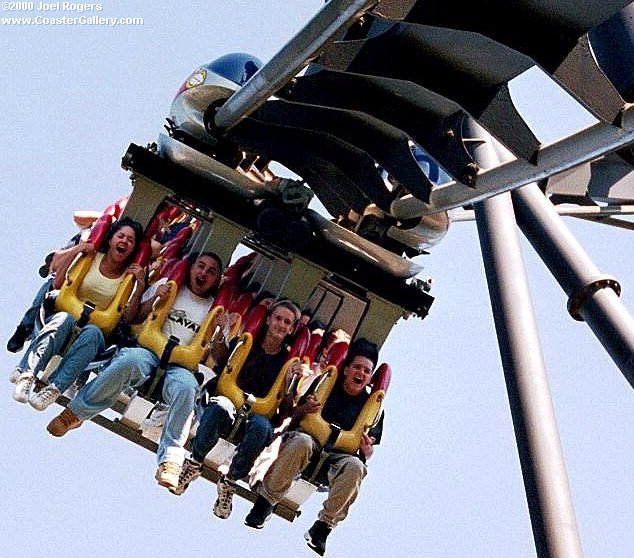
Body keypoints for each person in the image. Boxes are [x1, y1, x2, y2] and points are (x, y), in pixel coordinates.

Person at [45, 252, 224, 491]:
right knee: (128, 361)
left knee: (187, 388)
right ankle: (77, 413)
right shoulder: (169, 286)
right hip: (148, 352)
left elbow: (220, 358)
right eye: (200, 267)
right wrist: (153, 300)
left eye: (211, 271)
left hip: (180, 366)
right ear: (191, 269)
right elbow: (131, 317)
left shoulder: (215, 309)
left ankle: (170, 459)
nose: (203, 273)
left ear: (216, 280)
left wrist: (222, 332)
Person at [243, 338, 383, 556]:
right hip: (307, 443)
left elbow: (368, 447)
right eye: (357, 367)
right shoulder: (325, 384)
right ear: (346, 369)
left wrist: (367, 452)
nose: (361, 373)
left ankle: (323, 527)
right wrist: (306, 408)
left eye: (367, 371)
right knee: (302, 441)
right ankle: (265, 503)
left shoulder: (374, 409)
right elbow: (293, 415)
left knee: (357, 466)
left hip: (337, 460)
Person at [173, 299, 303, 521]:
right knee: (219, 407)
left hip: (256, 417)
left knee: (262, 427)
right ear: (269, 319)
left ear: (291, 329)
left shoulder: (286, 362)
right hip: (229, 403)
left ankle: (231, 480)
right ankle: (195, 461)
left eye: (287, 322)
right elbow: (222, 358)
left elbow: (286, 410)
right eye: (278, 319)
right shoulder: (247, 342)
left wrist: (292, 383)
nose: (281, 325)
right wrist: (221, 333)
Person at [12, 217, 146, 409]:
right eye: (121, 236)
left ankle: (54, 389)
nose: (124, 241)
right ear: (110, 240)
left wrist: (140, 285)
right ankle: (26, 374)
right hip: (64, 317)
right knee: (63, 319)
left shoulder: (129, 278)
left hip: (92, 332)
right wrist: (76, 250)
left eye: (130, 240)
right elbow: (57, 283)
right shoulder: (90, 259)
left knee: (94, 333)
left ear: (133, 249)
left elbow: (128, 317)